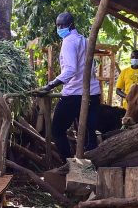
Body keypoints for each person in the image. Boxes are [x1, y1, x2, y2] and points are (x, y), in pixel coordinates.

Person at [34, 11, 100, 158]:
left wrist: (50, 85)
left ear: (71, 25)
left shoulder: (69, 41)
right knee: (89, 133)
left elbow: (71, 69)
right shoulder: (84, 40)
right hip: (93, 93)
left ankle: (67, 163)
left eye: (62, 25)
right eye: (57, 25)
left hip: (75, 94)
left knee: (57, 130)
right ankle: (89, 160)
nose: (59, 28)